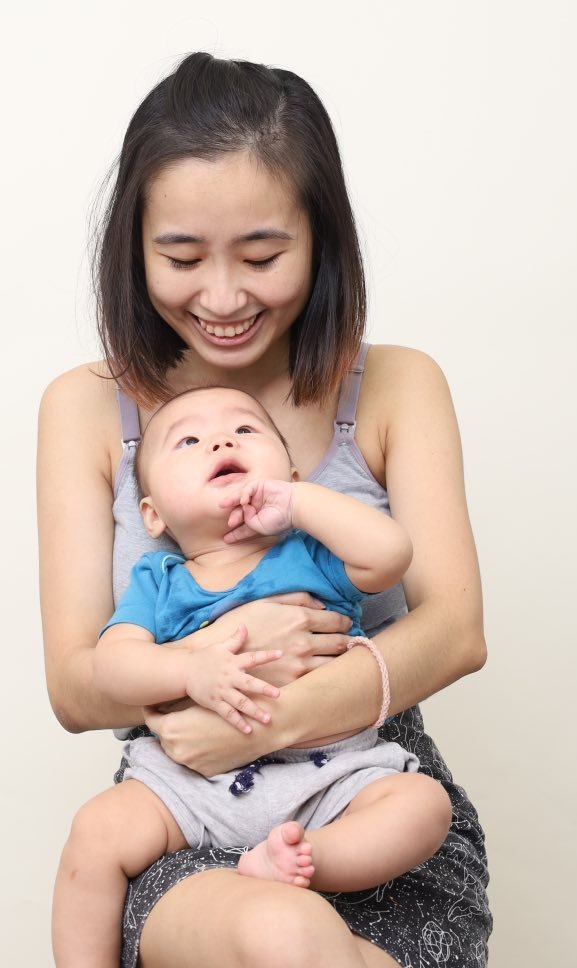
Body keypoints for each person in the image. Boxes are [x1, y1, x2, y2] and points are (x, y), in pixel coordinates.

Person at [37, 52, 491, 968]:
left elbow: (456, 631)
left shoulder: (397, 386)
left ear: (320, 238)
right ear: (134, 247)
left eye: (261, 256)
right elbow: (76, 687)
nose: (222, 297)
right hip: (188, 804)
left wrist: (278, 712)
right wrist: (199, 667)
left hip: (359, 790)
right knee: (284, 937)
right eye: (180, 257)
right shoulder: (86, 410)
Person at [52, 386, 453, 966]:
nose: (221, 441)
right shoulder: (160, 579)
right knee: (95, 832)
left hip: (327, 775)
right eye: (189, 441)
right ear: (153, 514)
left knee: (422, 805)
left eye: (245, 430)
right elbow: (110, 667)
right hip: (192, 784)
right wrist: (189, 667)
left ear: (290, 474)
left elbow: (390, 553)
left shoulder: (311, 553)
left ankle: (305, 857)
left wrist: (300, 504)